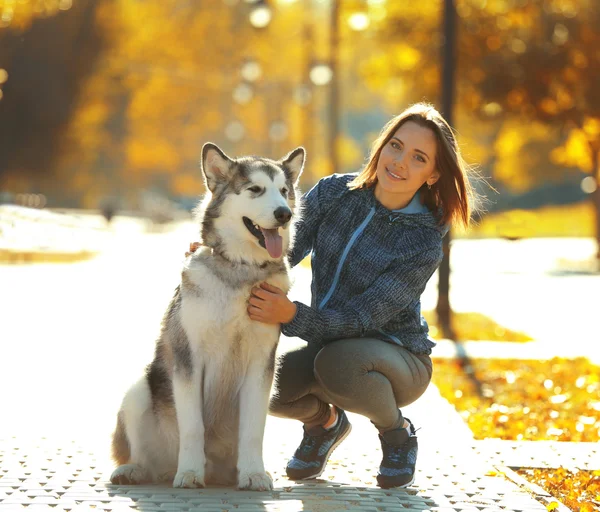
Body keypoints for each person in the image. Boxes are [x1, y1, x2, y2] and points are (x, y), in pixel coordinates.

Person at [191, 103, 475, 489]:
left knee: (339, 362)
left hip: (399, 359)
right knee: (252, 383)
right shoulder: (334, 193)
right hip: (326, 350)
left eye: (418, 157)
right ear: (382, 146)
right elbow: (278, 253)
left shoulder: (424, 238)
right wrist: (223, 251)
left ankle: (397, 435)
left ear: (433, 173)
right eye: (395, 146)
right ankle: (324, 424)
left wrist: (291, 314)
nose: (400, 161)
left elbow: (363, 318)